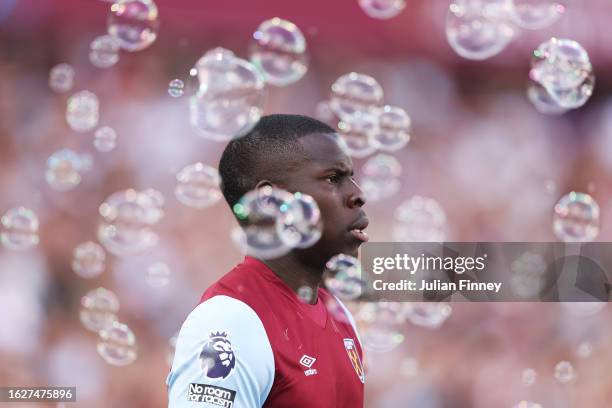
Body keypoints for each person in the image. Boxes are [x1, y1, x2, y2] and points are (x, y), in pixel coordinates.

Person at [167, 114, 369, 407]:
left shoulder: (340, 316)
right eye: (333, 178)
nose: (358, 194)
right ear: (270, 203)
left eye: (352, 177)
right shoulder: (231, 321)